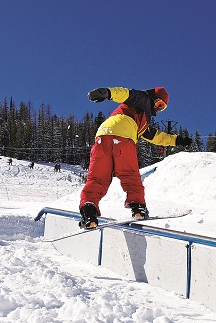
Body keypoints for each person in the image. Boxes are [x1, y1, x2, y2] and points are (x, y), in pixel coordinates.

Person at [79, 86, 192, 229]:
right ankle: (139, 209)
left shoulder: (142, 121)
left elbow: (157, 136)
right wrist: (107, 93)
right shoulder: (143, 99)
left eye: (162, 108)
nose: (158, 109)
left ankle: (89, 212)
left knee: (97, 179)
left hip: (101, 139)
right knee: (130, 176)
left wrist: (177, 140)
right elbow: (125, 94)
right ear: (152, 98)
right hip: (123, 138)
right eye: (159, 104)